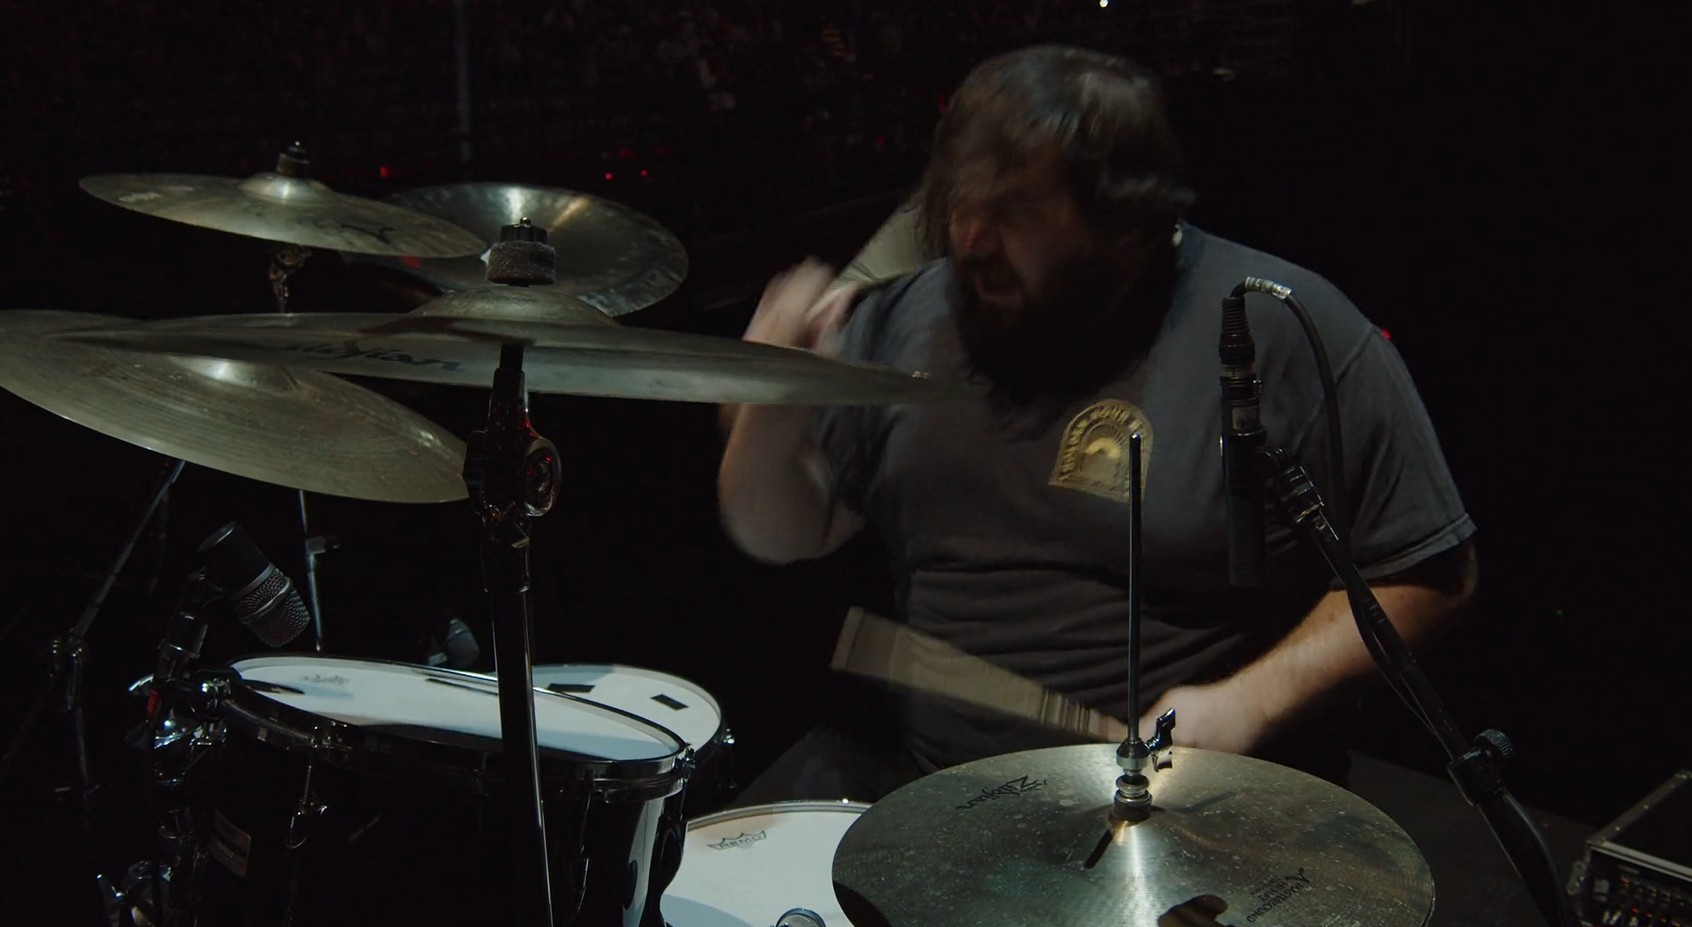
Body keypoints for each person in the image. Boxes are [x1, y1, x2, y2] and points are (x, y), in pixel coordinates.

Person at [716, 44, 1477, 803]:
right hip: (940, 805)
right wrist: (772, 406)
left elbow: (1429, 572)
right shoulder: (907, 317)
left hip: (1200, 812)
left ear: (1124, 222)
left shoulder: (1282, 329)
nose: (970, 240)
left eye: (1013, 210)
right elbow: (784, 535)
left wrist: (1249, 702)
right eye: (961, 204)